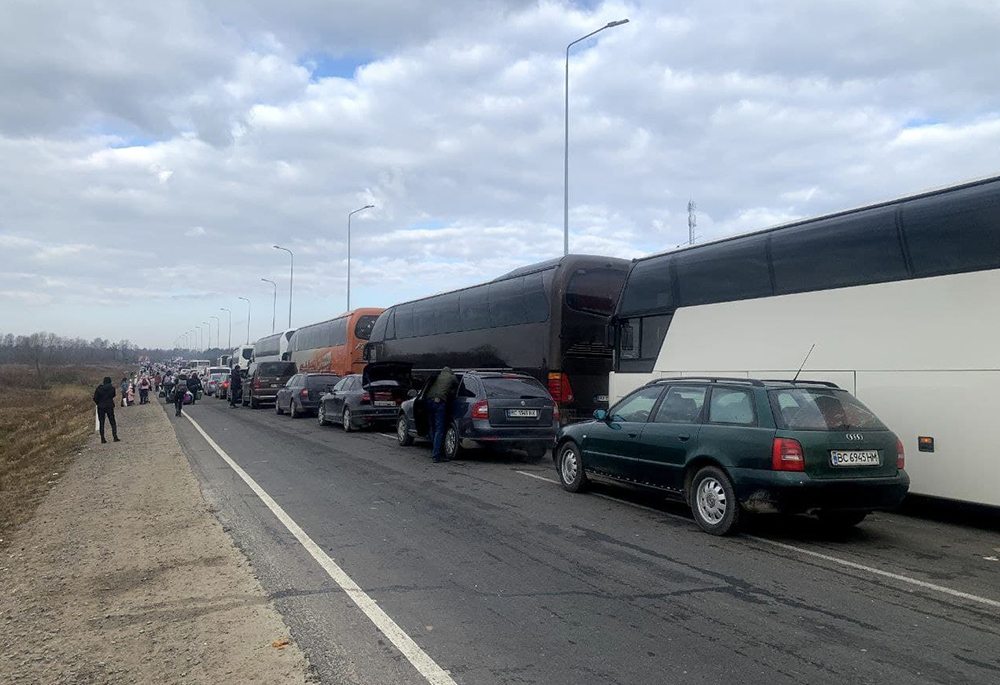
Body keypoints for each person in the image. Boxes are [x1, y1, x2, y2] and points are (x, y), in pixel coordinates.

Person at [425, 367, 458, 463]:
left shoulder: (437, 376)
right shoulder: (451, 377)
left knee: (432, 427)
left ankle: (434, 449)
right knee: (440, 429)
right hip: (439, 401)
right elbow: (457, 384)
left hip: (429, 400)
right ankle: (436, 455)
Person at [93, 377, 120, 443]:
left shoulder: (99, 388)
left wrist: (99, 403)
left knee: (102, 422)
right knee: (112, 421)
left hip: (101, 407)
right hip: (109, 406)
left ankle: (103, 438)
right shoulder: (112, 388)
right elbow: (113, 395)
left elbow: (95, 398)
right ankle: (115, 436)